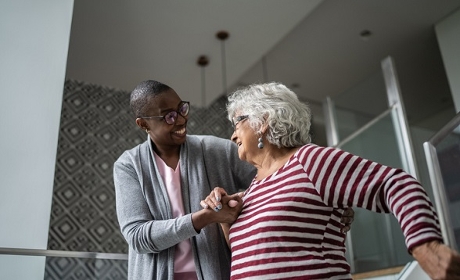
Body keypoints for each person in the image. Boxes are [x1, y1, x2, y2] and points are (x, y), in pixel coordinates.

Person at [202, 82, 460, 280]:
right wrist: (226, 220)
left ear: (263, 122)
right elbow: (257, 257)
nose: (233, 134)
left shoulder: (309, 161)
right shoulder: (253, 190)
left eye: (237, 123)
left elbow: (396, 184)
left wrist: (425, 245)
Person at [113, 80, 356, 280]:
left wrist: (327, 201)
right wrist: (206, 217)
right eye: (168, 116)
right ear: (143, 124)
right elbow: (138, 236)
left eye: (182, 109)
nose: (180, 120)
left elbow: (281, 179)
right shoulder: (129, 166)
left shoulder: (218, 149)